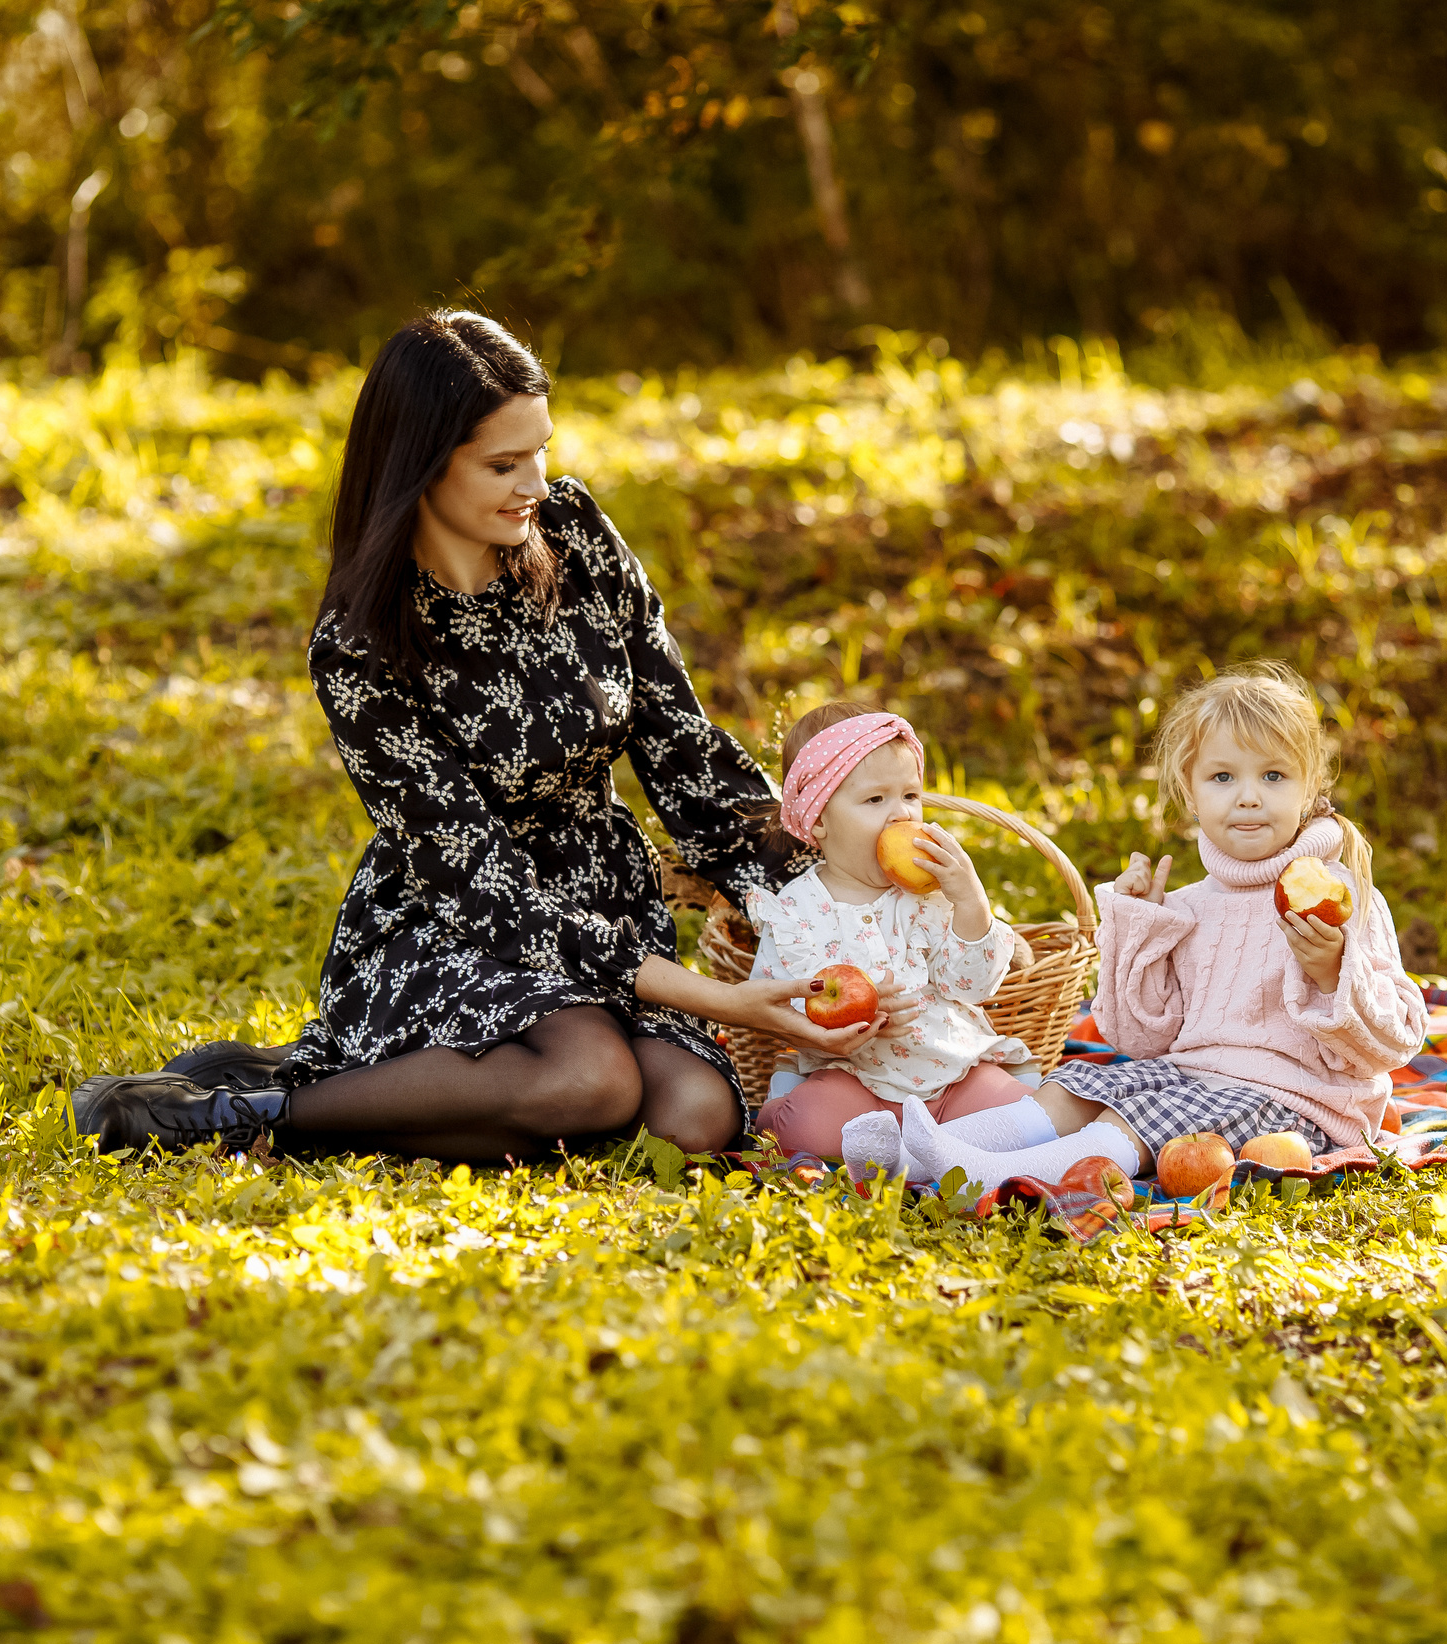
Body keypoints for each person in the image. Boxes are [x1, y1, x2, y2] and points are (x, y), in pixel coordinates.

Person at [73, 311, 872, 1161]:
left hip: (600, 897)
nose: (535, 483)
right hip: (454, 921)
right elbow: (482, 884)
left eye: (541, 451)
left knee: (695, 1119)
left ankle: (385, 1090)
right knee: (593, 1082)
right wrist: (716, 1000)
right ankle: (257, 1113)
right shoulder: (358, 647)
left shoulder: (575, 535)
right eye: (502, 464)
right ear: (420, 466)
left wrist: (830, 887)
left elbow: (687, 754)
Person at [887, 662, 1427, 1193]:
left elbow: (1395, 1040)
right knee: (1077, 1087)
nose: (1248, 796)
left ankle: (989, 1175)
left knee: (1140, 1119)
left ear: (1308, 790)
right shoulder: (1189, 906)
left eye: (1273, 776)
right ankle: (910, 1154)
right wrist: (1140, 930)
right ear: (1190, 794)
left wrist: (1333, 973)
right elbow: (1142, 1040)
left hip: (1298, 1104)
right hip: (1190, 1075)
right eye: (1222, 777)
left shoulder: (1342, 899)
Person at [742, 703, 1044, 1161]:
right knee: (809, 1127)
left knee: (1025, 1120)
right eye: (875, 800)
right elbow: (776, 1004)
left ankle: (909, 1153)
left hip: (950, 1073)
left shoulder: (931, 896)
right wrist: (854, 1017)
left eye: (910, 795)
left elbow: (972, 986)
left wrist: (970, 902)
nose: (901, 814)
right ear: (819, 819)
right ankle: (917, 1148)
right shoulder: (795, 912)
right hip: (854, 1081)